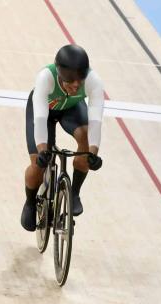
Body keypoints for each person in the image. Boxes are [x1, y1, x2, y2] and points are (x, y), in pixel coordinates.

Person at [21, 44, 104, 231]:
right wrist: (42, 151)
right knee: (38, 165)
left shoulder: (94, 81)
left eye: (79, 82)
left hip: (70, 109)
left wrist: (93, 153)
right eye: (70, 82)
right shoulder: (45, 77)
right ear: (60, 75)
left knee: (85, 138)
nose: (75, 86)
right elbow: (40, 119)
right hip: (44, 112)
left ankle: (74, 193)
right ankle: (30, 202)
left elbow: (96, 120)